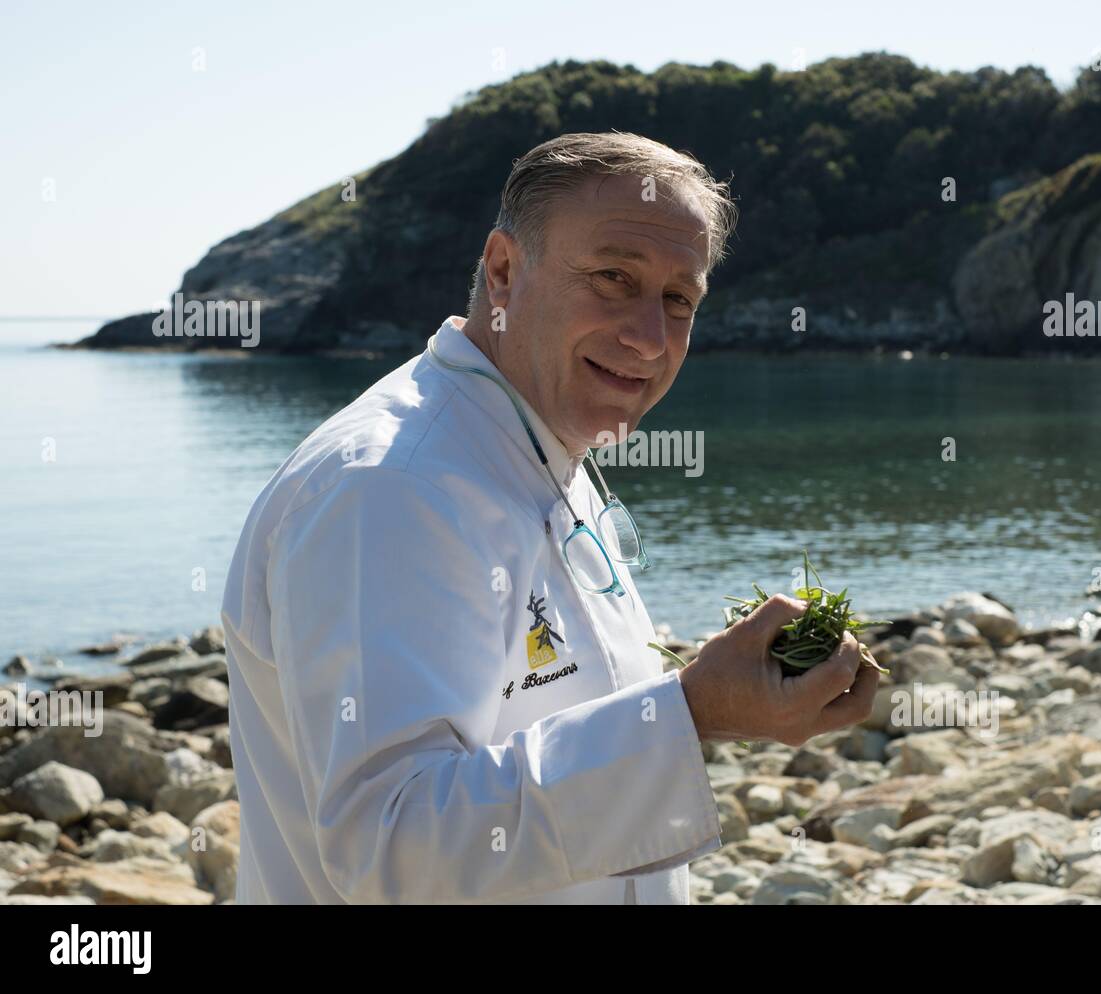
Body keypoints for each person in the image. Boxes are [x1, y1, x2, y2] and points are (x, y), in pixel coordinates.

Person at [220, 131, 880, 904]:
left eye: (678, 300)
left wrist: (721, 698)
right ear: (503, 271)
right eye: (612, 278)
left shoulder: (540, 442)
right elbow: (390, 848)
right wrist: (694, 710)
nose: (650, 337)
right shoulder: (393, 489)